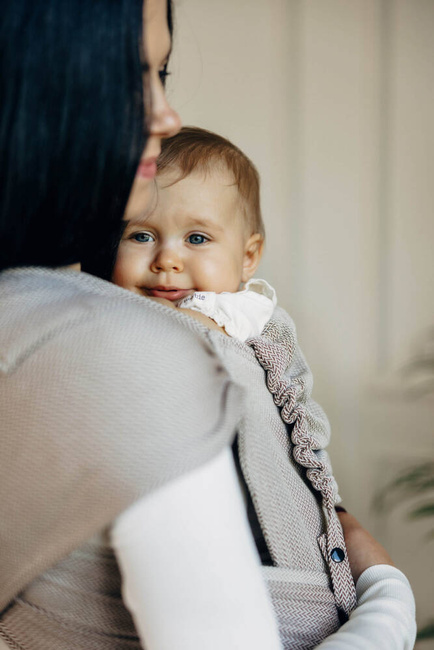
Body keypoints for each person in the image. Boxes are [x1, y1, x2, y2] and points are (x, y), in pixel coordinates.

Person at [0, 1, 415, 649]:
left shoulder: (27, 315)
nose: (165, 114)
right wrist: (389, 599)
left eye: (163, 72)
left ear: (249, 254)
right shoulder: (126, 351)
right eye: (135, 74)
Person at [112, 126, 417, 648]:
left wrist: (336, 513)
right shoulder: (115, 328)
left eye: (197, 238)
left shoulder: (262, 328)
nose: (166, 258)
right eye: (140, 235)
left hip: (311, 569)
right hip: (232, 587)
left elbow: (301, 427)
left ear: (248, 257)